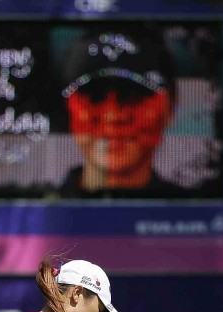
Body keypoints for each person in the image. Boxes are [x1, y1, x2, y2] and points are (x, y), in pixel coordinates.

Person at [57, 29, 184, 197]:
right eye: (95, 96)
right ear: (68, 107)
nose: (114, 116)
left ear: (170, 106)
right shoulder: (35, 214)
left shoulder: (199, 213)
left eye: (133, 96)